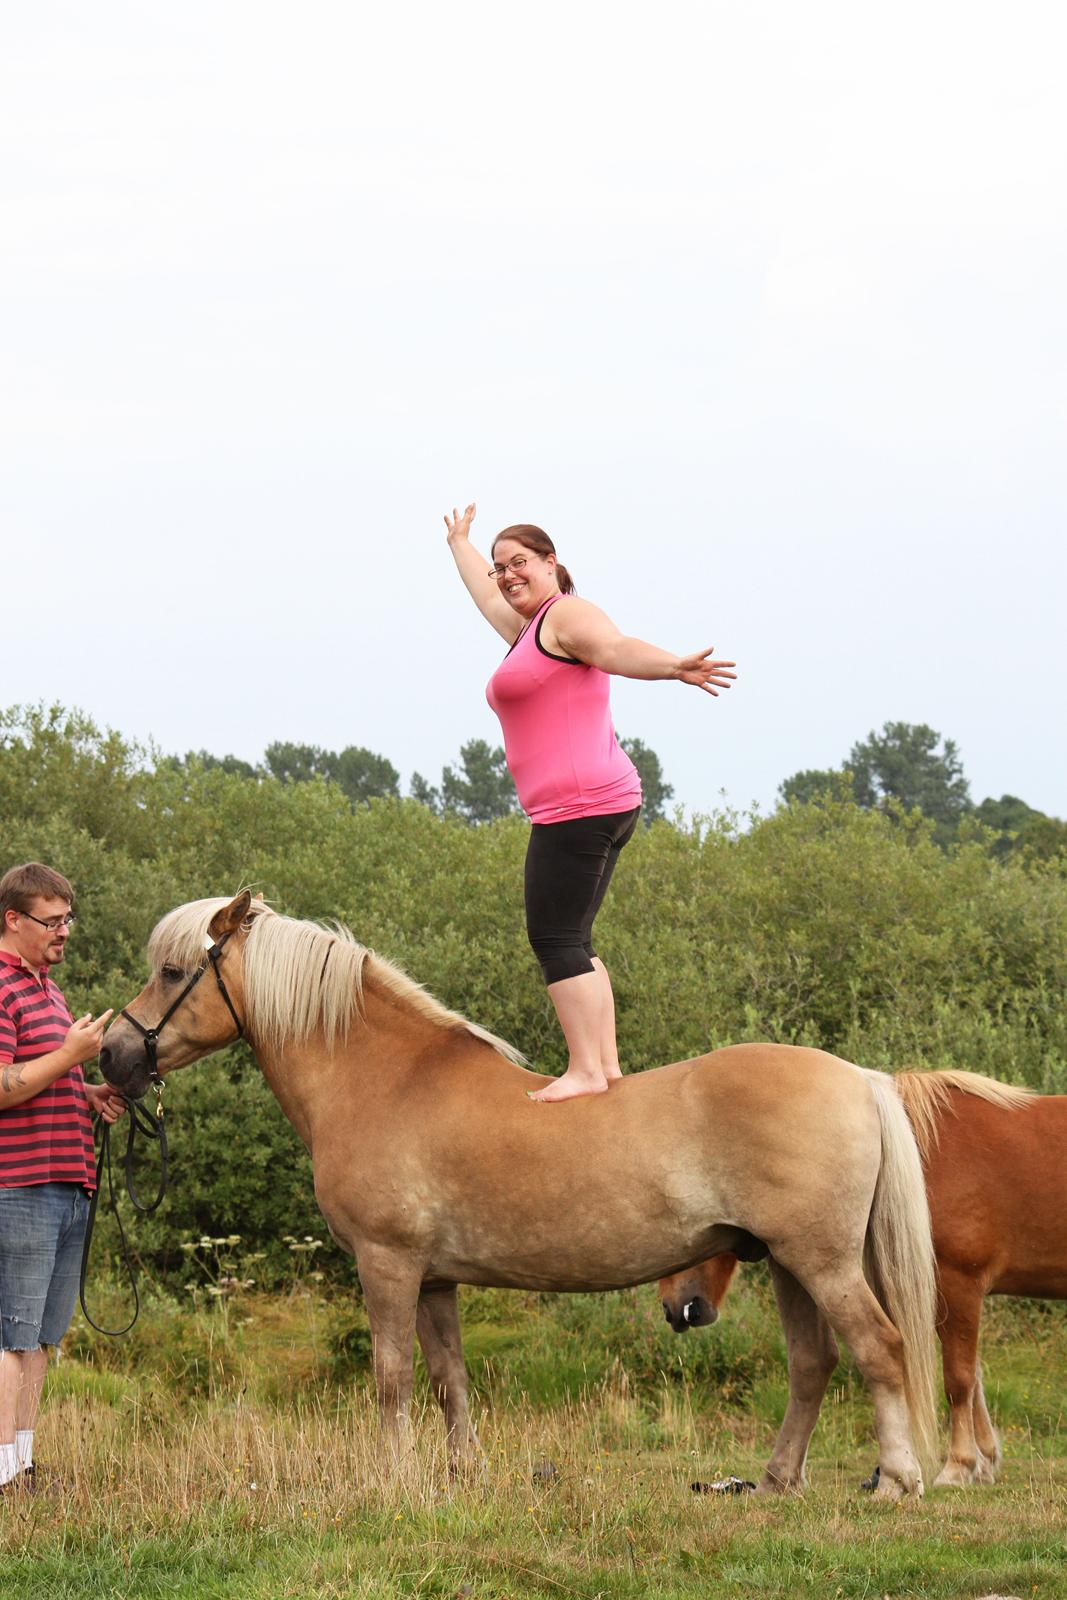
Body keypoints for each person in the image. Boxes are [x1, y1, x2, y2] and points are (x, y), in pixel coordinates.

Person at [445, 502, 736, 1103]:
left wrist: (673, 666)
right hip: (596, 801)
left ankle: (584, 1069)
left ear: (553, 563)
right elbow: (486, 596)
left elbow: (614, 648)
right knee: (574, 937)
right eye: (501, 567)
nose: (507, 575)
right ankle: (604, 1068)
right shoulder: (528, 629)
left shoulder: (566, 615)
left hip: (578, 807)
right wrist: (460, 544)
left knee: (554, 938)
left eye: (519, 562)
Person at [0, 862, 124, 1493]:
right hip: (19, 1189)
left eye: (68, 919)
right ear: (13, 920)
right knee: (13, 1334)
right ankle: (0, 1473)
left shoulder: (46, 988)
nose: (64, 932)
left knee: (42, 1339)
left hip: (67, 1185)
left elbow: (43, 1076)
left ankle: (22, 1464)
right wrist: (71, 1056)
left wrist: (88, 1091)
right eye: (51, 921)